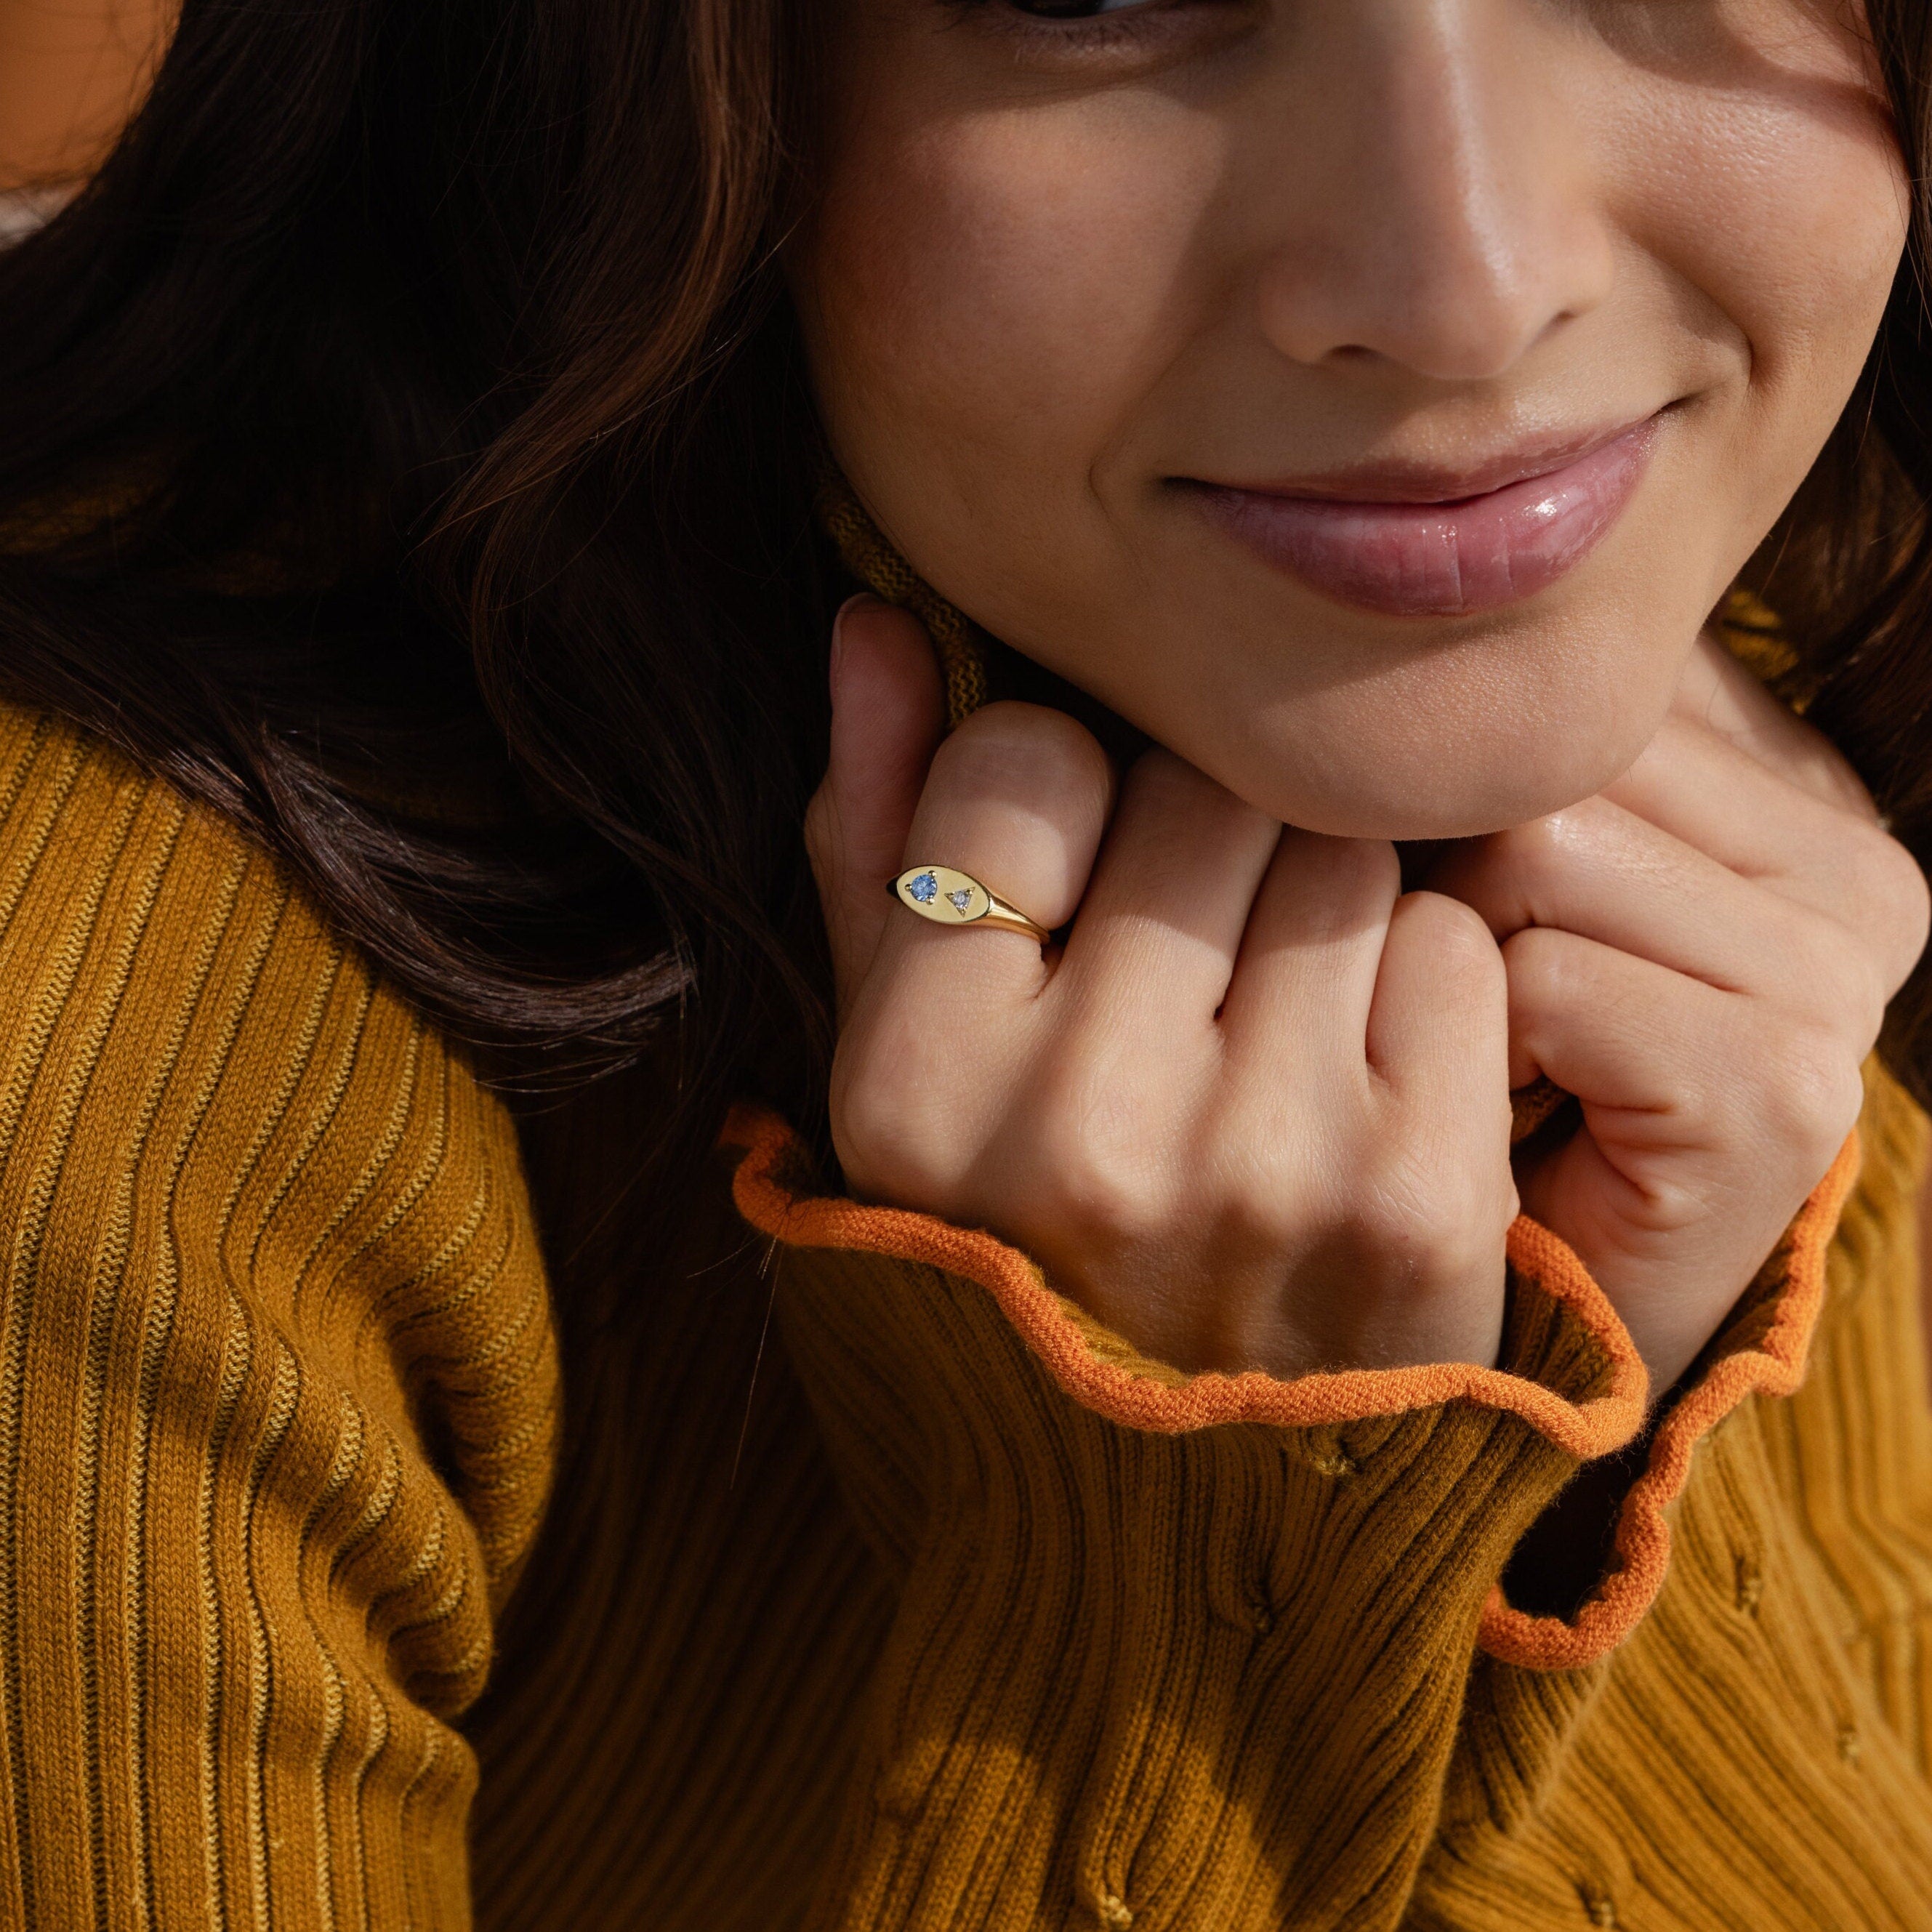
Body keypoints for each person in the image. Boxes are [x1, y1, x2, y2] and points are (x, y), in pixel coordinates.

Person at [0, 0, 1928, 1924]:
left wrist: (1588, 1422)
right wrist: (1180, 1588)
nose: (1470, 296)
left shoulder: (1698, 637)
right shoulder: (93, 1077)